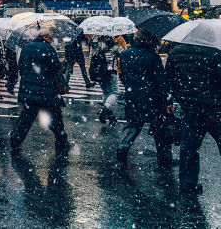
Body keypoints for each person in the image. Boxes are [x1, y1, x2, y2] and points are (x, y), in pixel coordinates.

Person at [165, 36, 221, 194]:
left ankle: (187, 182)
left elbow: (169, 79)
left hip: (189, 107)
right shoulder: (215, 53)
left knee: (189, 145)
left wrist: (179, 97)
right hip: (214, 107)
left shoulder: (176, 52)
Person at [116, 31, 176, 168]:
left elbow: (123, 76)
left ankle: (123, 146)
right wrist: (168, 100)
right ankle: (164, 158)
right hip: (152, 98)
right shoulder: (152, 57)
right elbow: (161, 81)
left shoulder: (125, 54)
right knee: (160, 129)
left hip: (133, 96)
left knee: (134, 126)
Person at [9, 29, 69, 155]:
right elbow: (56, 67)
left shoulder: (26, 47)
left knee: (26, 117)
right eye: (51, 38)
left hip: (29, 89)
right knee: (56, 116)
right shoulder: (48, 49)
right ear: (46, 37)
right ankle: (61, 140)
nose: (51, 40)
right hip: (46, 90)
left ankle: (15, 140)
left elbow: (21, 66)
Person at [90, 36, 123, 125]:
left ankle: (110, 117)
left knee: (106, 93)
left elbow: (91, 57)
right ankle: (104, 110)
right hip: (110, 71)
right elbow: (123, 54)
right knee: (114, 93)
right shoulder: (113, 45)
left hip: (100, 73)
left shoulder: (96, 44)